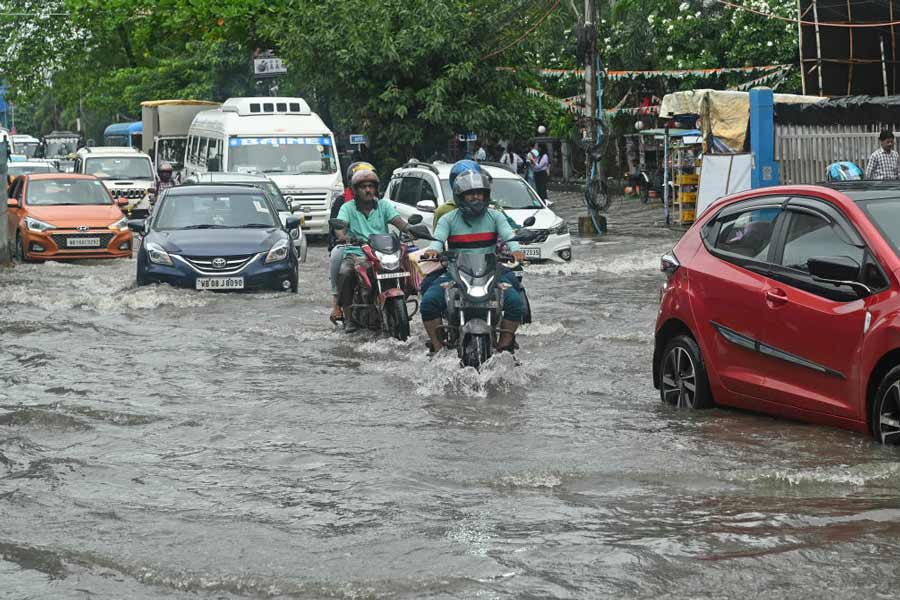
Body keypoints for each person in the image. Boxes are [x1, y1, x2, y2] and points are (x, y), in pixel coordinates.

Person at [420, 163, 526, 354]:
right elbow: (437, 240)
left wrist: (516, 250)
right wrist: (433, 251)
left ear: (487, 195)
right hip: (455, 273)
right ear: (460, 196)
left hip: (491, 271)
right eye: (471, 193)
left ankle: (505, 346)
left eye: (480, 193)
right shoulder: (448, 219)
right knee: (428, 302)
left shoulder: (495, 216)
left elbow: (509, 236)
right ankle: (437, 347)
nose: (476, 197)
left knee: (515, 302)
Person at [330, 167, 412, 324]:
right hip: (356, 252)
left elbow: (400, 223)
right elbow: (340, 228)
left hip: (383, 253)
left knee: (405, 269)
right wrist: (343, 236)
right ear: (355, 190)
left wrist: (411, 230)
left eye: (371, 186)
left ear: (376, 188)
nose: (368, 190)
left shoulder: (384, 206)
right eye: (363, 187)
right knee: (346, 273)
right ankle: (348, 316)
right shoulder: (347, 208)